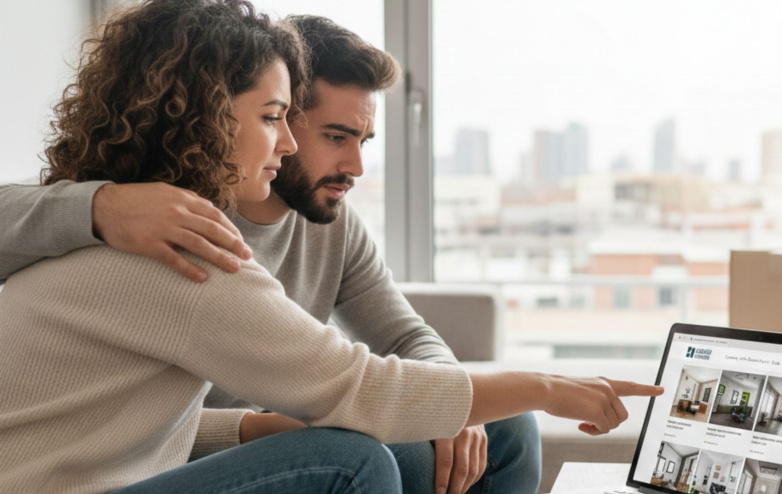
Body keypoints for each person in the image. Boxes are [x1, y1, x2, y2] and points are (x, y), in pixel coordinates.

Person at [0, 6, 664, 494]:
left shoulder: (279, 229)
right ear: (201, 115)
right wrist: (550, 386)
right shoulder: (175, 241)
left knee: (499, 429)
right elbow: (364, 389)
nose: (285, 142)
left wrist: (258, 430)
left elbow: (123, 426)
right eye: (271, 118)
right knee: (348, 462)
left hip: (144, 463)